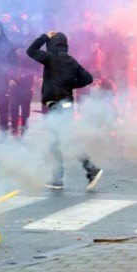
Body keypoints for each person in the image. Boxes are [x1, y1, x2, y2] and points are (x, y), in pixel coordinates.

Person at [26, 31, 103, 190]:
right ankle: (81, 171)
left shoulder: (51, 58)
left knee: (57, 143)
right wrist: (70, 86)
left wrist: (44, 36)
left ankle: (66, 176)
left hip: (57, 105)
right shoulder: (71, 61)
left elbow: (31, 51)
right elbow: (88, 78)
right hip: (67, 104)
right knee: (65, 141)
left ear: (52, 44)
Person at [10, 22, 40, 137]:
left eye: (28, 27)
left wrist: (38, 75)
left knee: (25, 105)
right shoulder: (15, 41)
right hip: (15, 77)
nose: (25, 29)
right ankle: (14, 127)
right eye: (23, 26)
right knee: (13, 105)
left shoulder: (34, 42)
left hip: (28, 78)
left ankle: (24, 127)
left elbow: (37, 61)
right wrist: (10, 77)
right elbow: (9, 61)